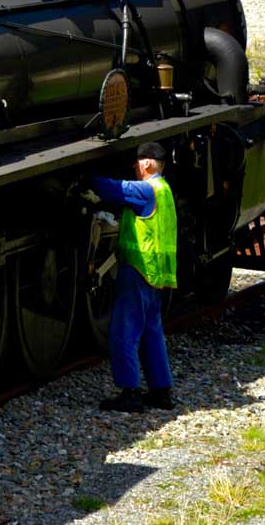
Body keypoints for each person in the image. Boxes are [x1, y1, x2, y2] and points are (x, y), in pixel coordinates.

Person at [87, 142, 176, 413]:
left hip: (138, 270)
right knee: (152, 332)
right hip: (157, 274)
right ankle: (162, 392)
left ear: (147, 163)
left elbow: (114, 189)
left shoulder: (147, 190)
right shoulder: (165, 190)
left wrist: (85, 176)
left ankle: (130, 393)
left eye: (137, 163)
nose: (134, 168)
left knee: (124, 331)